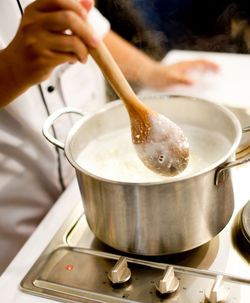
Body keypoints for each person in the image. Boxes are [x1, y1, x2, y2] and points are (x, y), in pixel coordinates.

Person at [0, 0, 218, 274]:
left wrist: (151, 72)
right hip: (11, 231)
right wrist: (9, 68)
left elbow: (87, 26)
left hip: (84, 188)